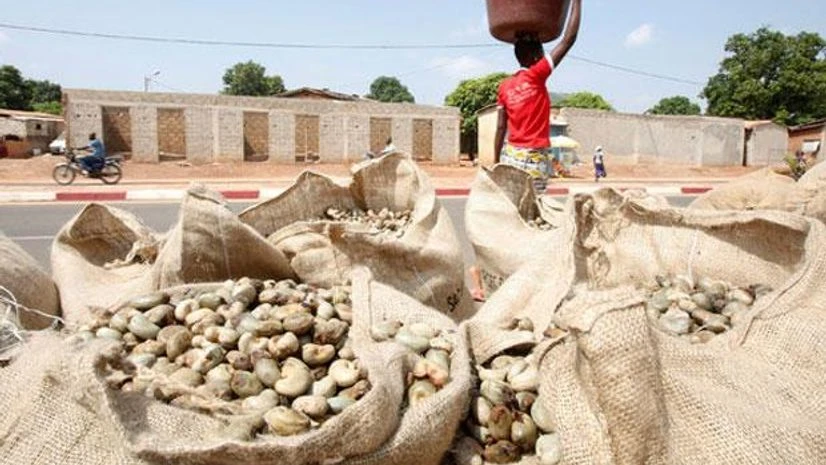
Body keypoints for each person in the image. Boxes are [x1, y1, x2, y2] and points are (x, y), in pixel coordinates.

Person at [494, 0, 582, 196]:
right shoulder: (537, 74)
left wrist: (495, 162)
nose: (544, 56)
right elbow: (568, 39)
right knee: (535, 207)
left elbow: (500, 127)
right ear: (536, 57)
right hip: (534, 158)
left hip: (510, 156)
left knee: (513, 204)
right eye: (542, 53)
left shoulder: (504, 87)